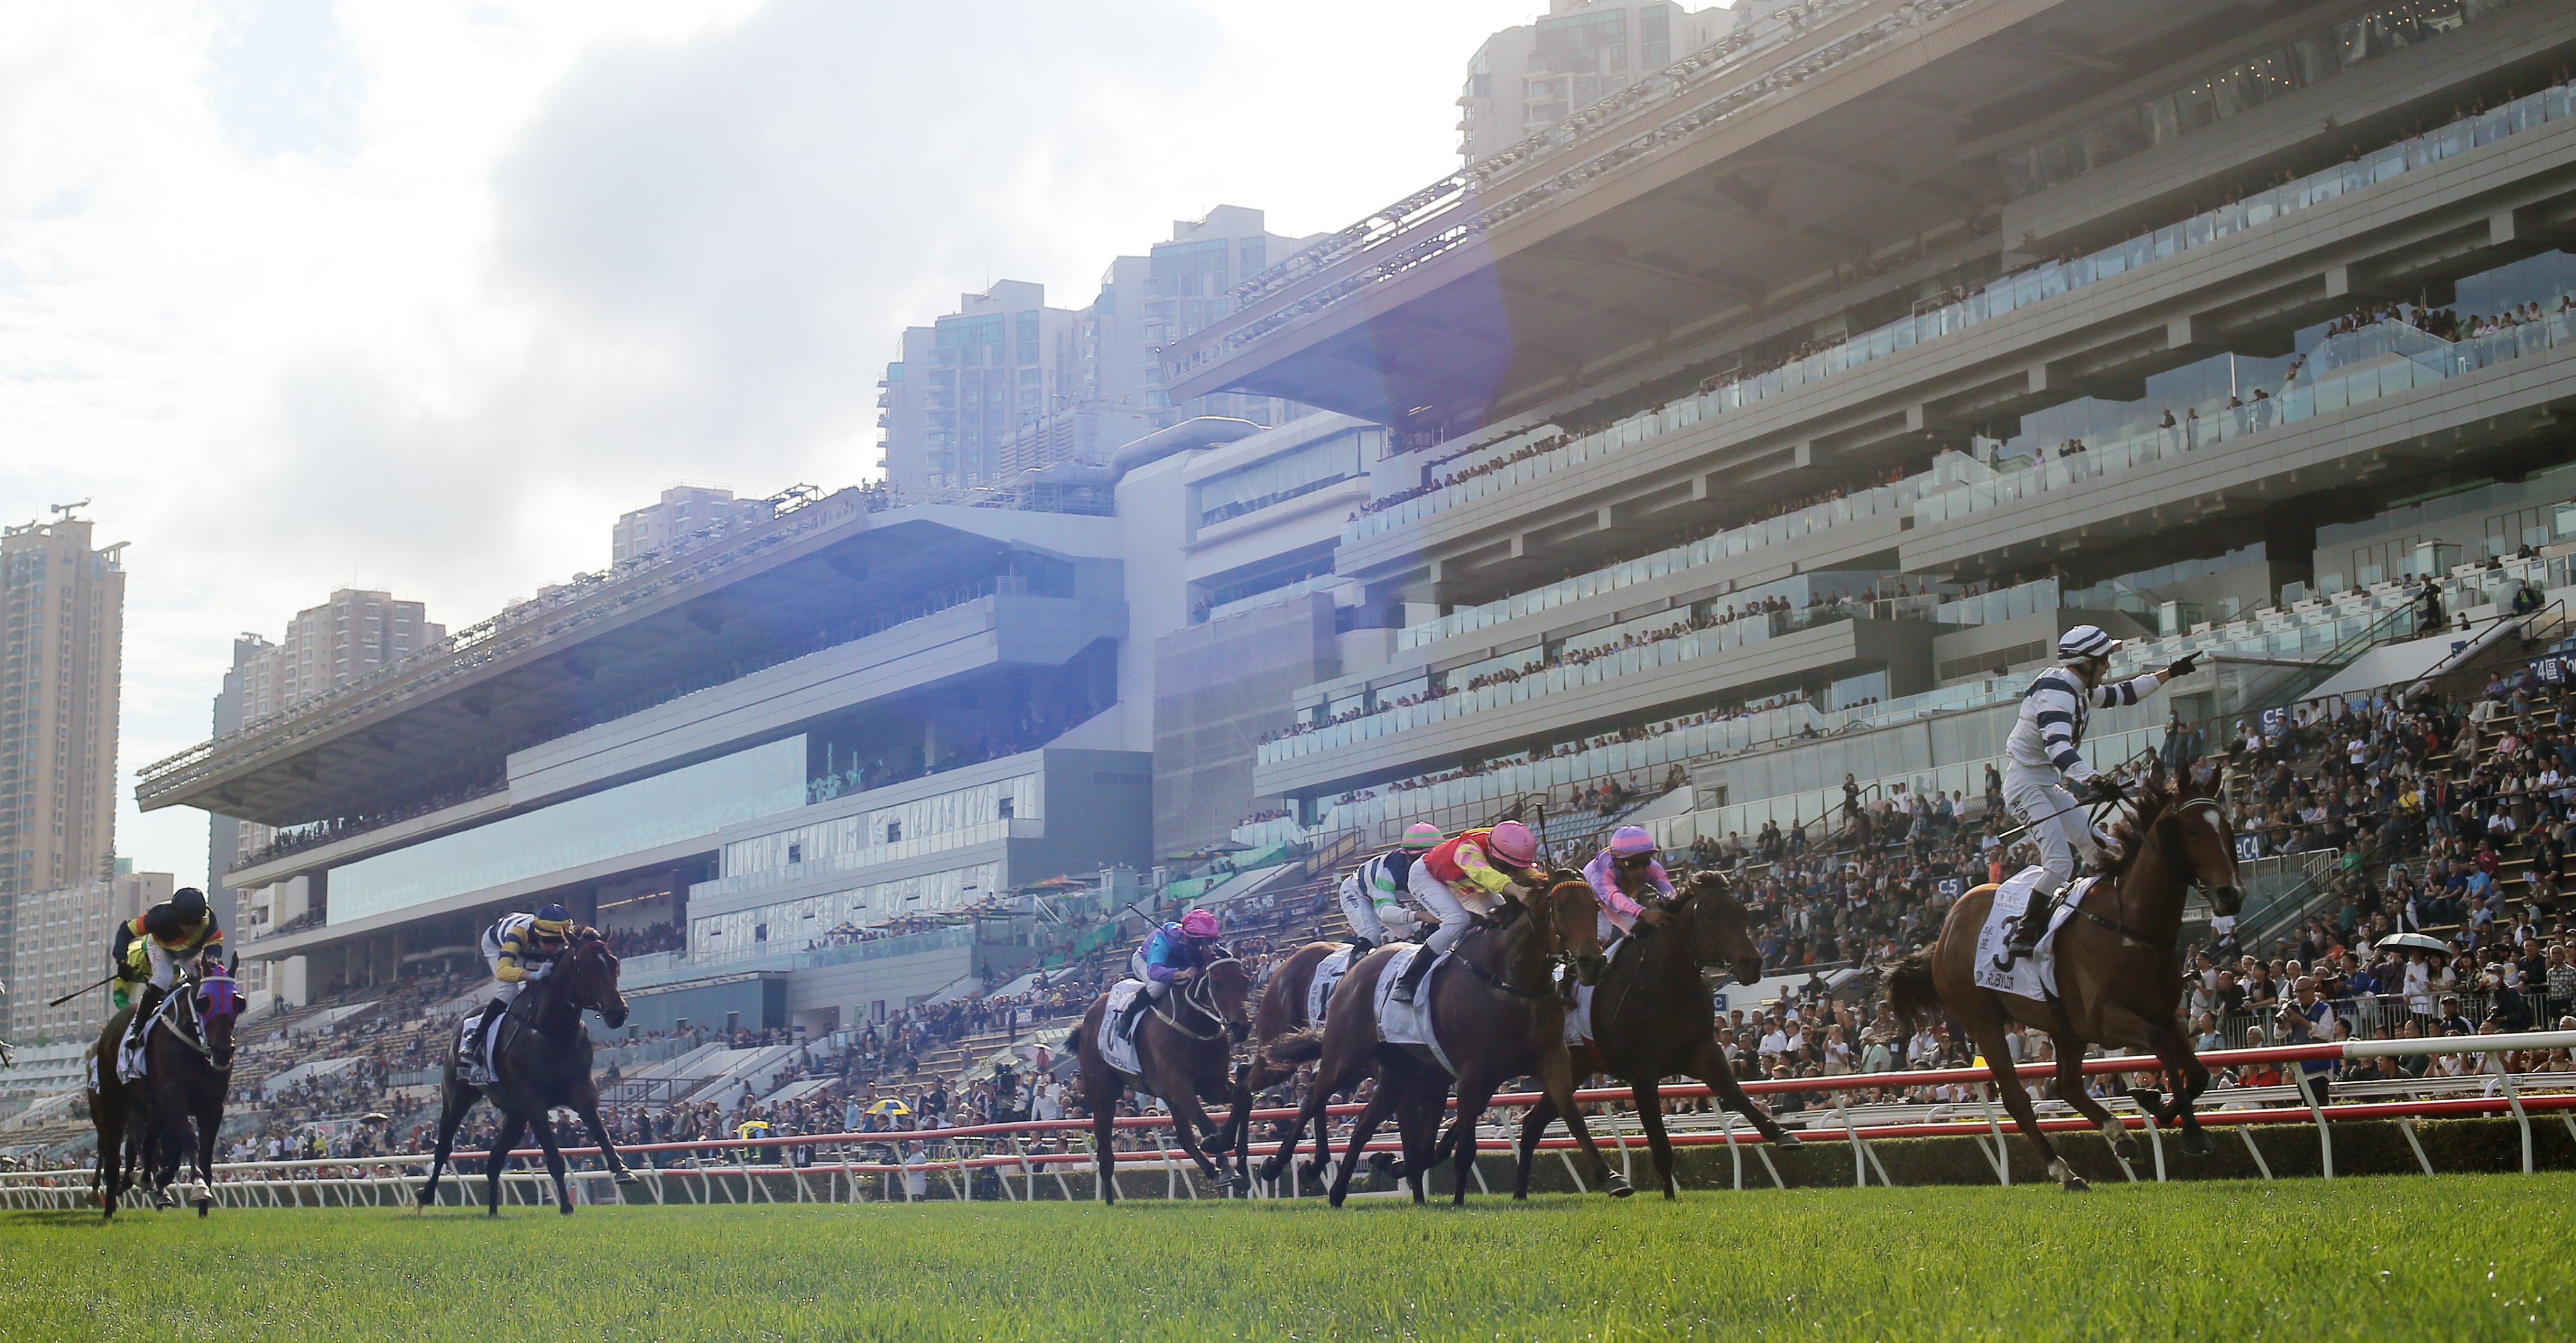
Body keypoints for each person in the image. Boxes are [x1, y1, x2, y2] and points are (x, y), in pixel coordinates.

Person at [1995, 626, 2197, 967]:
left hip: (2044, 783)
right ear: (2086, 663)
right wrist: (2093, 779)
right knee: (2059, 862)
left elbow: (2125, 694)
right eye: (2104, 659)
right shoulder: (2058, 696)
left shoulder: (2077, 688)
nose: (2107, 665)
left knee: (2100, 847)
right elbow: (2057, 747)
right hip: (2025, 785)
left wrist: (2169, 673)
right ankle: (2025, 932)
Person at [1391, 820, 1545, 1004]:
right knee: (1458, 921)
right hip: (1427, 877)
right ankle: (1408, 980)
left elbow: (1530, 875)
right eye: (1507, 866)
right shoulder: (1467, 849)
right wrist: (1516, 890)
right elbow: (1483, 874)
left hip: (1461, 881)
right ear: (1494, 855)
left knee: (1502, 916)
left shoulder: (1509, 844)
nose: (1512, 871)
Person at [462, 903, 577, 1078]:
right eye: (547, 941)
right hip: (498, 944)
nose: (554, 947)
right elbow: (503, 971)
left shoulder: (568, 935)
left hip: (528, 948)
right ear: (538, 935)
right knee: (508, 992)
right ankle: (474, 1040)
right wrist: (533, 976)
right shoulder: (519, 933)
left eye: (559, 942)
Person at [111, 886, 223, 1058]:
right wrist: (122, 961)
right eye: (186, 923)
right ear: (177, 918)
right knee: (163, 978)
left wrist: (212, 962)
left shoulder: (209, 920)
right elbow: (126, 930)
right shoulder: (159, 917)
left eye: (196, 923)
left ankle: (207, 1028)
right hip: (161, 947)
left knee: (200, 979)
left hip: (190, 952)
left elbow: (214, 946)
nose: (192, 928)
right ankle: (137, 1028)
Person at [1115, 908, 1223, 1040]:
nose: (1205, 946)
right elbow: (1154, 971)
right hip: (1146, 961)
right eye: (1201, 941)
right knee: (1159, 986)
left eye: (1209, 941)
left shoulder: (1196, 941)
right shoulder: (1165, 939)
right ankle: (1128, 1015)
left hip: (1177, 962)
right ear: (1190, 937)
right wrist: (1181, 974)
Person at [1335, 823, 1441, 952]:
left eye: (1430, 857)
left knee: (1414, 932)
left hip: (1380, 893)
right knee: (1371, 935)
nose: (1423, 863)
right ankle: (1352, 971)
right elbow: (1385, 912)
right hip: (1355, 892)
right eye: (1418, 858)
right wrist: (1421, 915)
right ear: (1406, 855)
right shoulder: (1387, 869)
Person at [1581, 825, 1675, 944]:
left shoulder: (1652, 867)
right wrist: (1644, 912)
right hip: (1590, 901)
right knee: (1603, 934)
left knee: (1640, 932)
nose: (1641, 870)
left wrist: (1673, 903)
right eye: (1632, 864)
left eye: (1645, 861)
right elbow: (1614, 897)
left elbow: (1667, 889)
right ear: (1617, 861)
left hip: (1617, 897)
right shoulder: (1601, 873)